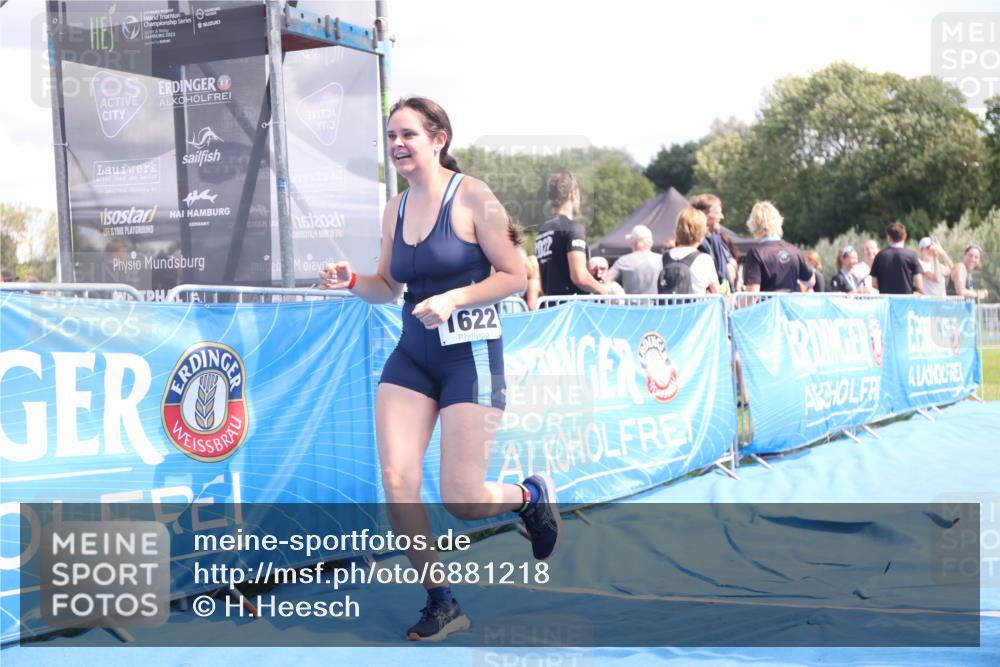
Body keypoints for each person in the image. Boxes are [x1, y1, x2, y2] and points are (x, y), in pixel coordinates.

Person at [319, 97, 561, 642]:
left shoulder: (473, 195)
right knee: (397, 479)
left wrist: (454, 299)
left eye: (408, 134)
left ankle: (529, 498)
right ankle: (441, 601)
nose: (398, 145)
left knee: (462, 497)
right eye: (390, 137)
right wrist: (352, 280)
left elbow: (515, 274)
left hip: (469, 356)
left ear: (438, 138)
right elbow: (389, 286)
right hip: (412, 356)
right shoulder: (394, 208)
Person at [534, 172, 611, 301]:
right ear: (573, 193)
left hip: (551, 307)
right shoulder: (573, 228)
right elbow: (579, 276)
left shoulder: (543, 231)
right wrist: (604, 290)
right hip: (573, 310)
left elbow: (543, 282)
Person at [742, 201, 813, 292]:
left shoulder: (756, 253)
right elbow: (810, 281)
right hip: (791, 305)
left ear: (754, 224)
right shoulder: (795, 251)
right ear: (778, 222)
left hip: (768, 305)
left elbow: (752, 295)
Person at [658, 208, 719, 295]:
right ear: (701, 232)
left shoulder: (663, 258)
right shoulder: (705, 260)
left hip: (668, 308)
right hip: (696, 307)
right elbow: (716, 292)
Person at [689, 193, 736, 292]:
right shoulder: (694, 242)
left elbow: (731, 262)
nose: (722, 217)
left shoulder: (716, 237)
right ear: (704, 214)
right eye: (718, 213)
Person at [869, 221, 923, 295]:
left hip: (887, 301)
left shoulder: (880, 256)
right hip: (907, 301)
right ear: (905, 236)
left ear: (889, 237)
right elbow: (919, 283)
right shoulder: (911, 256)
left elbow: (874, 283)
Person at [606, 224, 662, 294]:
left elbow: (606, 280)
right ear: (651, 242)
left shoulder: (623, 261)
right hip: (658, 304)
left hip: (631, 304)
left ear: (634, 243)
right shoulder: (662, 260)